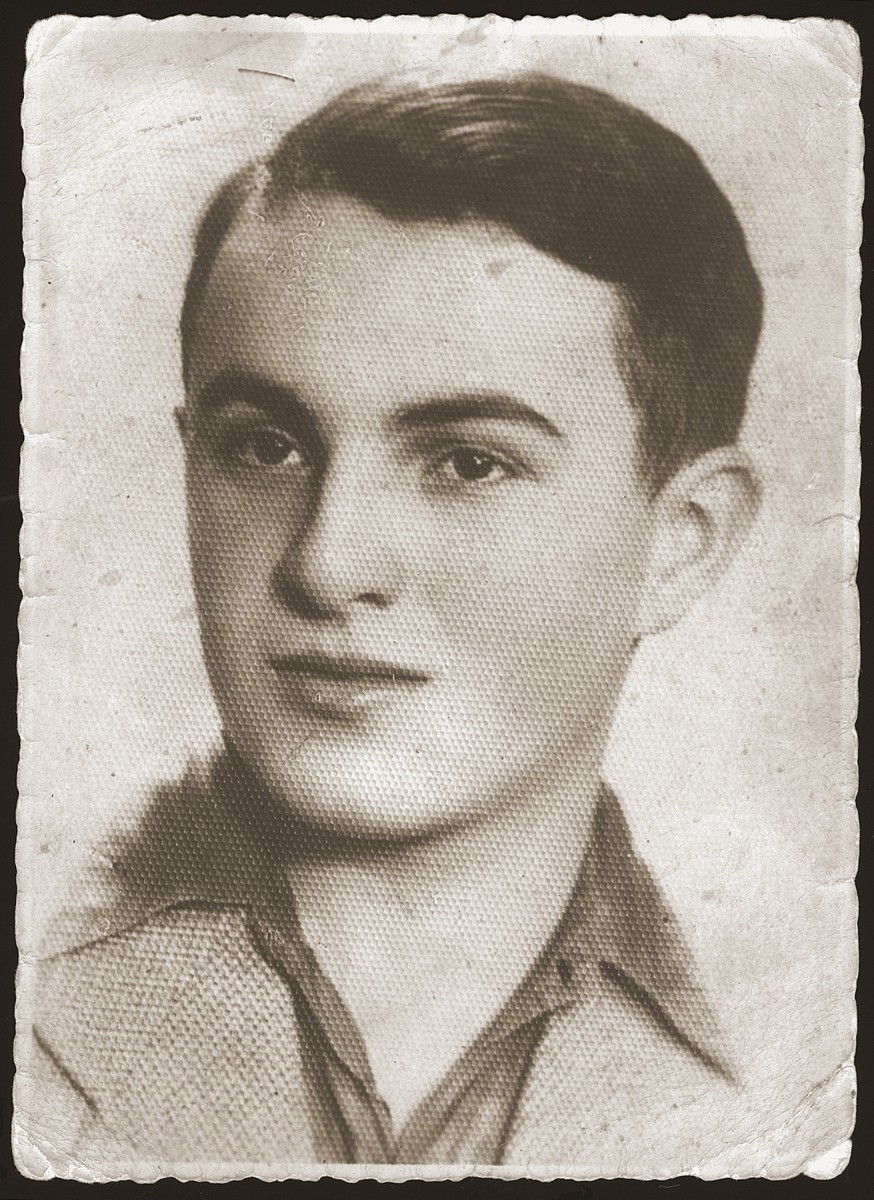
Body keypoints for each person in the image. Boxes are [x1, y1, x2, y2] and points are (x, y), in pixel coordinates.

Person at [18, 72, 763, 1175]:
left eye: (468, 462)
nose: (327, 563)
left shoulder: (777, 1076)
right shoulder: (47, 988)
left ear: (682, 540)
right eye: (263, 447)